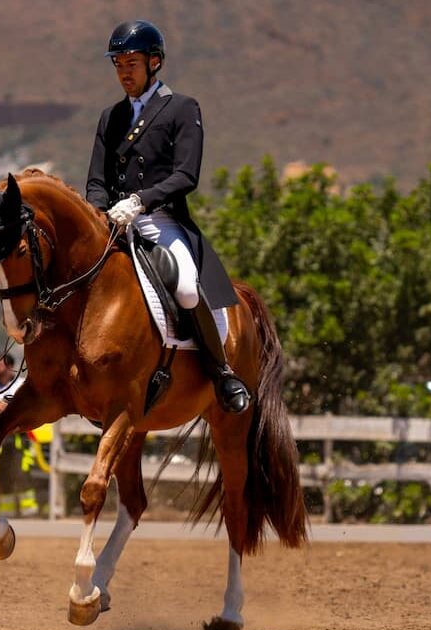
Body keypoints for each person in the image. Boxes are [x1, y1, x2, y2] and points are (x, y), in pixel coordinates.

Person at [86, 19, 250, 414]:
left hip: (160, 221)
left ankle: (221, 371)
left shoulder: (181, 108)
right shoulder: (110, 118)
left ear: (154, 62)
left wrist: (140, 201)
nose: (124, 72)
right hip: (114, 224)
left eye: (131, 63)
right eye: (119, 64)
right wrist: (99, 212)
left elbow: (186, 175)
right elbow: (95, 179)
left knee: (189, 289)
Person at [0, 354, 39, 516]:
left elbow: (22, 408)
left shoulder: (21, 384)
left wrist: (1, 405)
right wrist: (8, 405)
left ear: (9, 366)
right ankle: (8, 513)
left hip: (19, 436)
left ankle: (29, 512)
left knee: (22, 472)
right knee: (2, 474)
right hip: (0, 438)